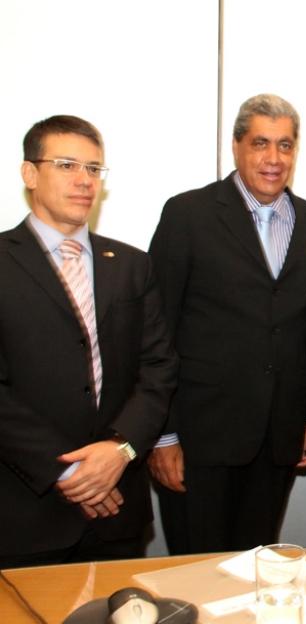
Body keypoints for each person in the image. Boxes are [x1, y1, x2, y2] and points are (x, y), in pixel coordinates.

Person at [147, 94, 306, 554]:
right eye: (260, 143)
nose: (274, 158)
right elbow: (155, 329)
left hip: (277, 439)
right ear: (236, 146)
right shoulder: (187, 214)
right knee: (197, 573)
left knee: (256, 570)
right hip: (199, 439)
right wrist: (163, 434)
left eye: (285, 145)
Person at [0, 115, 177, 567]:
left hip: (118, 509)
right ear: (29, 173)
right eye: (66, 165)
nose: (84, 180)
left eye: (94, 169)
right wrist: (70, 472)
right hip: (25, 511)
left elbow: (158, 368)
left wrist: (122, 450)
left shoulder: (132, 265)